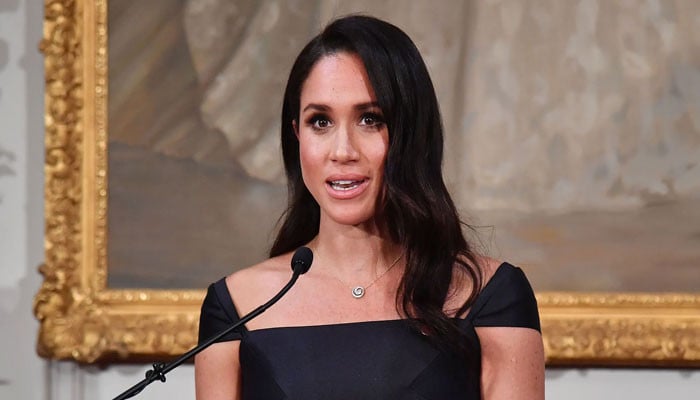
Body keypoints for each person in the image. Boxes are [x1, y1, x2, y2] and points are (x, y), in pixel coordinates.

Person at [195, 15, 544, 399]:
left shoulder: (490, 296)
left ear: (412, 133)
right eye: (320, 122)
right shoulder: (236, 307)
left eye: (370, 119)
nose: (343, 151)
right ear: (297, 135)